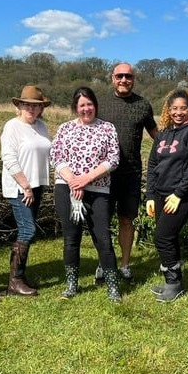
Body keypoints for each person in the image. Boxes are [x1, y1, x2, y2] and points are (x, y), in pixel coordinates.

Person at [50, 87, 122, 302]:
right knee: (71, 238)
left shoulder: (107, 128)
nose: (86, 108)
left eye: (89, 104)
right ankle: (71, 284)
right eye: (82, 105)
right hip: (67, 188)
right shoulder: (65, 129)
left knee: (103, 238)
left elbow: (113, 159)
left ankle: (112, 286)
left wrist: (86, 179)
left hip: (98, 189)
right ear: (76, 108)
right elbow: (56, 156)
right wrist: (73, 180)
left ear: (95, 106)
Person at [96, 62, 157, 285]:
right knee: (102, 221)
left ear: (133, 79)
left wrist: (180, 146)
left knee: (126, 220)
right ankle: (104, 264)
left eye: (128, 76)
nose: (124, 80)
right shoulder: (100, 104)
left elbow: (157, 136)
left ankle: (124, 266)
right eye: (119, 76)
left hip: (131, 173)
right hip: (103, 173)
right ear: (112, 78)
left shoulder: (142, 105)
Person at [146, 88, 188, 302]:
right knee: (168, 237)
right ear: (168, 110)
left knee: (163, 237)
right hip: (160, 194)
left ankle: (173, 283)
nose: (178, 112)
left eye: (183, 108)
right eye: (174, 108)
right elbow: (153, 164)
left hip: (182, 196)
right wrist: (150, 195)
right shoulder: (164, 133)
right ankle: (173, 281)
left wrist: (178, 194)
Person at [1, 85, 52, 296]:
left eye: (36, 106)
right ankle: (15, 281)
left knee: (27, 230)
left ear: (41, 108)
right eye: (27, 105)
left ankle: (20, 277)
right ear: (19, 105)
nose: (31, 109)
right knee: (28, 230)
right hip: (20, 187)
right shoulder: (12, 127)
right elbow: (9, 158)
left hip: (37, 185)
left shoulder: (41, 127)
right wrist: (25, 185)